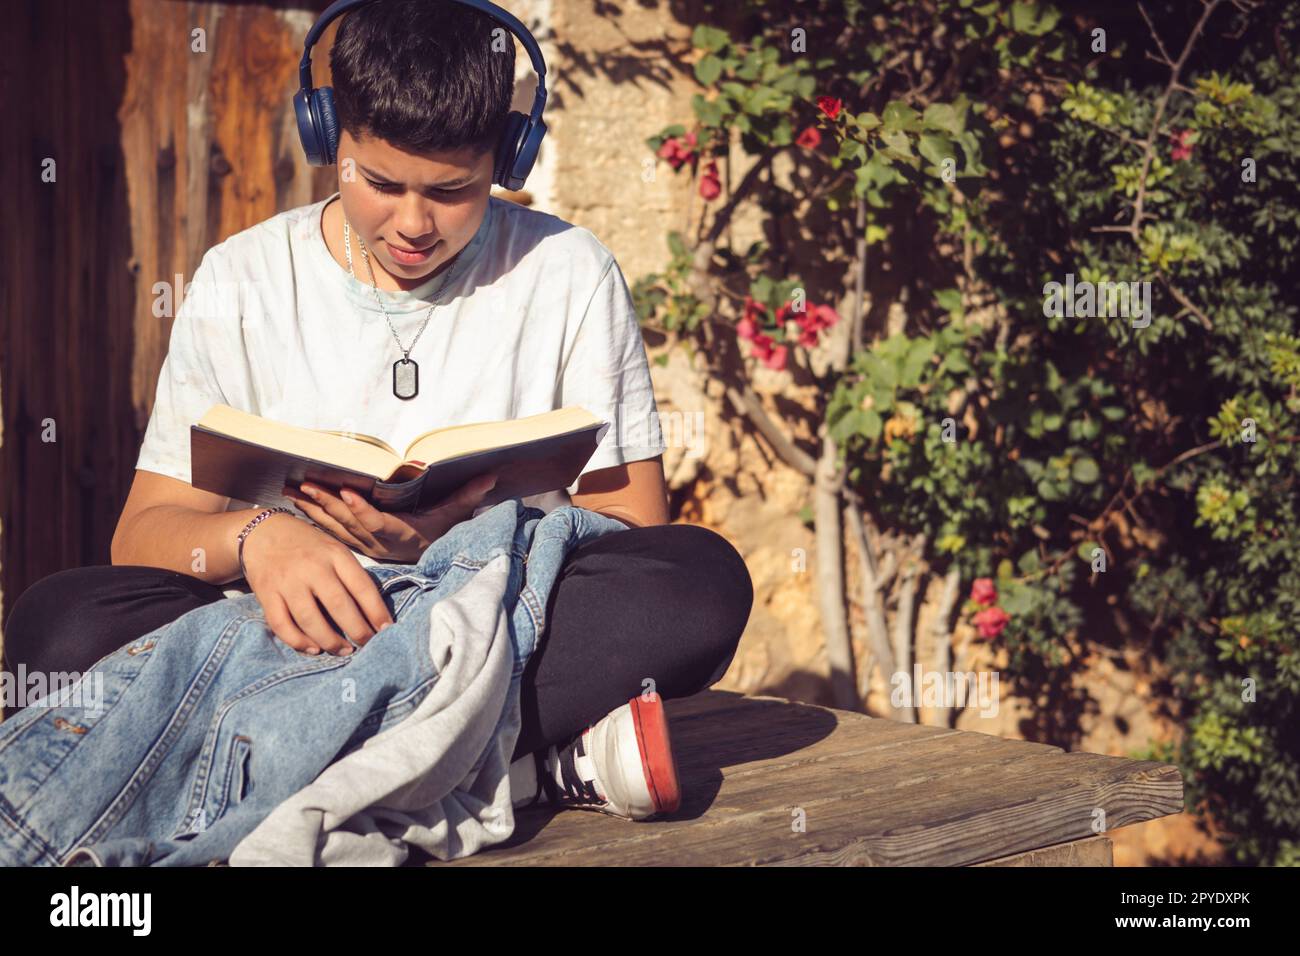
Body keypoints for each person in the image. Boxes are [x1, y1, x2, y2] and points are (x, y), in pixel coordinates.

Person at [0, 0, 752, 824]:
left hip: (493, 622)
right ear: (328, 139)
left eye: (452, 190)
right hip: (291, 629)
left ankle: (275, 754)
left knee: (700, 587)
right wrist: (260, 541)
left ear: (506, 157)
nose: (413, 225)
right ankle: (520, 765)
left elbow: (633, 520)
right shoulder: (242, 276)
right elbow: (143, 531)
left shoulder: (569, 274)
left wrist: (450, 544)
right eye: (381, 183)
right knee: (60, 627)